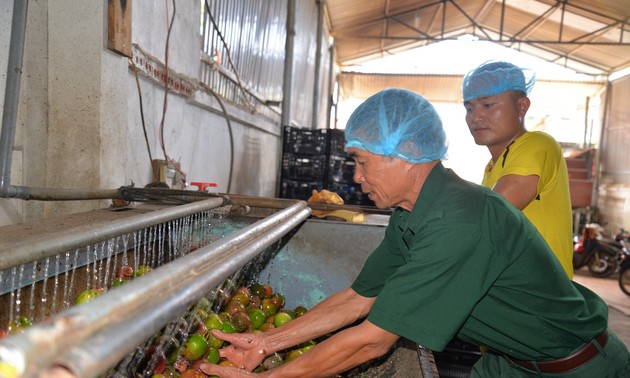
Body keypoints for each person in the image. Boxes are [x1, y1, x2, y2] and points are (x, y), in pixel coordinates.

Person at [201, 89, 629, 377]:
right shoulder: (411, 213)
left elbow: (372, 342)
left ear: (405, 155)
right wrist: (265, 340)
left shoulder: (460, 219)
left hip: (576, 366)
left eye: (362, 162)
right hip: (510, 362)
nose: (355, 177)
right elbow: (358, 298)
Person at [462, 61, 574, 279]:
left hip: (545, 298)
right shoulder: (493, 167)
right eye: (469, 108)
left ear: (522, 106)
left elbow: (489, 217)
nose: (476, 117)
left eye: (487, 105)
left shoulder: (537, 144)